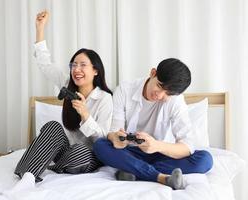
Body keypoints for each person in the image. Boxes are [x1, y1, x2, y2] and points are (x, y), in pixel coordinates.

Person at [14, 11, 113, 182]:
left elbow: (104, 140)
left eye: (83, 65)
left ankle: (52, 168)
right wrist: (40, 29)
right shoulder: (67, 84)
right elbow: (45, 64)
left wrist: (85, 115)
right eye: (73, 65)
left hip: (89, 155)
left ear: (95, 70)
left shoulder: (105, 98)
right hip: (66, 152)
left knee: (81, 151)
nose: (76, 69)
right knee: (52, 126)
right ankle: (27, 175)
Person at [93, 58, 213, 190]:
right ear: (153, 73)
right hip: (130, 152)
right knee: (100, 145)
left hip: (161, 153)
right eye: (160, 86)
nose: (159, 95)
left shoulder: (176, 101)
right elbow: (113, 130)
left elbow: (187, 146)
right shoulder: (125, 89)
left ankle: (133, 171)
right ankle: (160, 177)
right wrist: (115, 137)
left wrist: (156, 146)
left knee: (205, 159)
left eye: (168, 93)